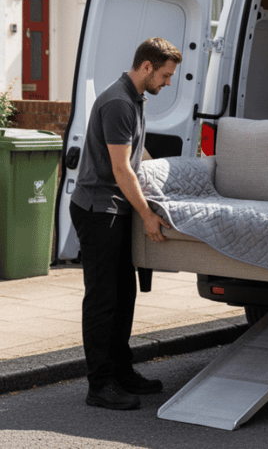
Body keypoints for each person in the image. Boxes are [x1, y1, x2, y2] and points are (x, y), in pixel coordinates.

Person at [69, 37, 182, 410]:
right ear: (147, 66)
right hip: (98, 210)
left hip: (114, 208)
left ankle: (121, 372)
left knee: (123, 295)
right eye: (165, 75)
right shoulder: (118, 102)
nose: (168, 82)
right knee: (103, 299)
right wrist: (148, 216)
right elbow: (120, 169)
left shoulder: (135, 98)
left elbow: (134, 155)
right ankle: (100, 385)